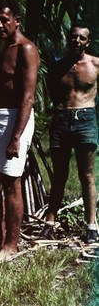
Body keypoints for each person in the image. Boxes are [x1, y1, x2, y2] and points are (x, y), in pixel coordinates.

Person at [0, 0, 40, 261]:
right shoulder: (6, 48)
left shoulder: (26, 48)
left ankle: (11, 246)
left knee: (11, 183)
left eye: (5, 19)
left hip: (17, 122)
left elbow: (27, 97)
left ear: (17, 21)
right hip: (0, 120)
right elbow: (4, 90)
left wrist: (15, 137)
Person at [40, 23, 98, 244]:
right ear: (68, 38)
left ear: (87, 42)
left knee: (87, 175)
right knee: (60, 175)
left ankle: (91, 225)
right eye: (73, 37)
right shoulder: (58, 67)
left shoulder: (95, 64)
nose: (77, 42)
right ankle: (50, 222)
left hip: (85, 120)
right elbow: (53, 95)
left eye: (82, 38)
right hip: (62, 119)